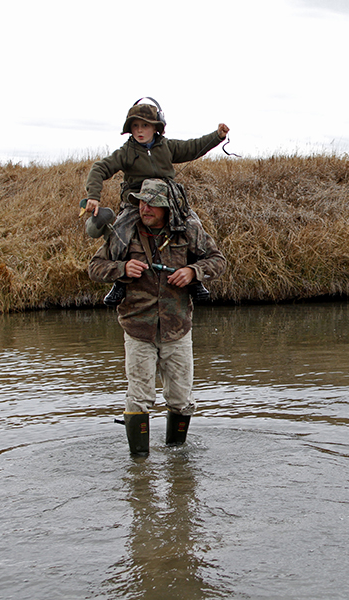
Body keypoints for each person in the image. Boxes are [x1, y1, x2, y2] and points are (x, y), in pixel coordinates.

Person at [88, 178, 227, 455]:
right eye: (141, 201)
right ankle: (138, 467)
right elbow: (95, 268)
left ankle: (178, 462)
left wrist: (193, 272)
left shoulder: (188, 231)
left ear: (167, 207)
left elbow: (218, 260)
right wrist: (122, 268)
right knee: (138, 399)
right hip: (138, 328)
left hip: (177, 328)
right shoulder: (123, 232)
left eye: (152, 203)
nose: (145, 207)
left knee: (181, 400)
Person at [83, 97, 230, 305]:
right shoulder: (126, 152)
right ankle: (120, 282)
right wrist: (93, 197)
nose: (140, 130)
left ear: (156, 128)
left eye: (145, 125)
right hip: (136, 203)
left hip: (169, 202)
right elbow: (99, 168)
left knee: (193, 225)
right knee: (120, 232)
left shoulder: (166, 147)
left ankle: (196, 279)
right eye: (135, 126)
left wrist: (217, 136)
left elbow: (193, 147)